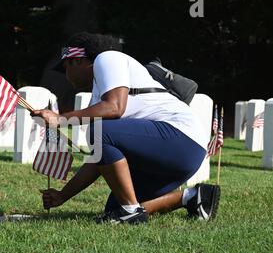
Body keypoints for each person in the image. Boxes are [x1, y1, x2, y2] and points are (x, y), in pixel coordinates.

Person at [31, 32, 220, 225]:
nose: (67, 77)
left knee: (100, 132)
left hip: (181, 139)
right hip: (180, 152)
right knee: (114, 209)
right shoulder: (99, 94)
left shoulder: (106, 58)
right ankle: (192, 196)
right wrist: (64, 195)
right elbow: (99, 159)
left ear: (76, 60)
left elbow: (115, 108)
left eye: (65, 68)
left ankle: (130, 210)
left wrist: (61, 119)